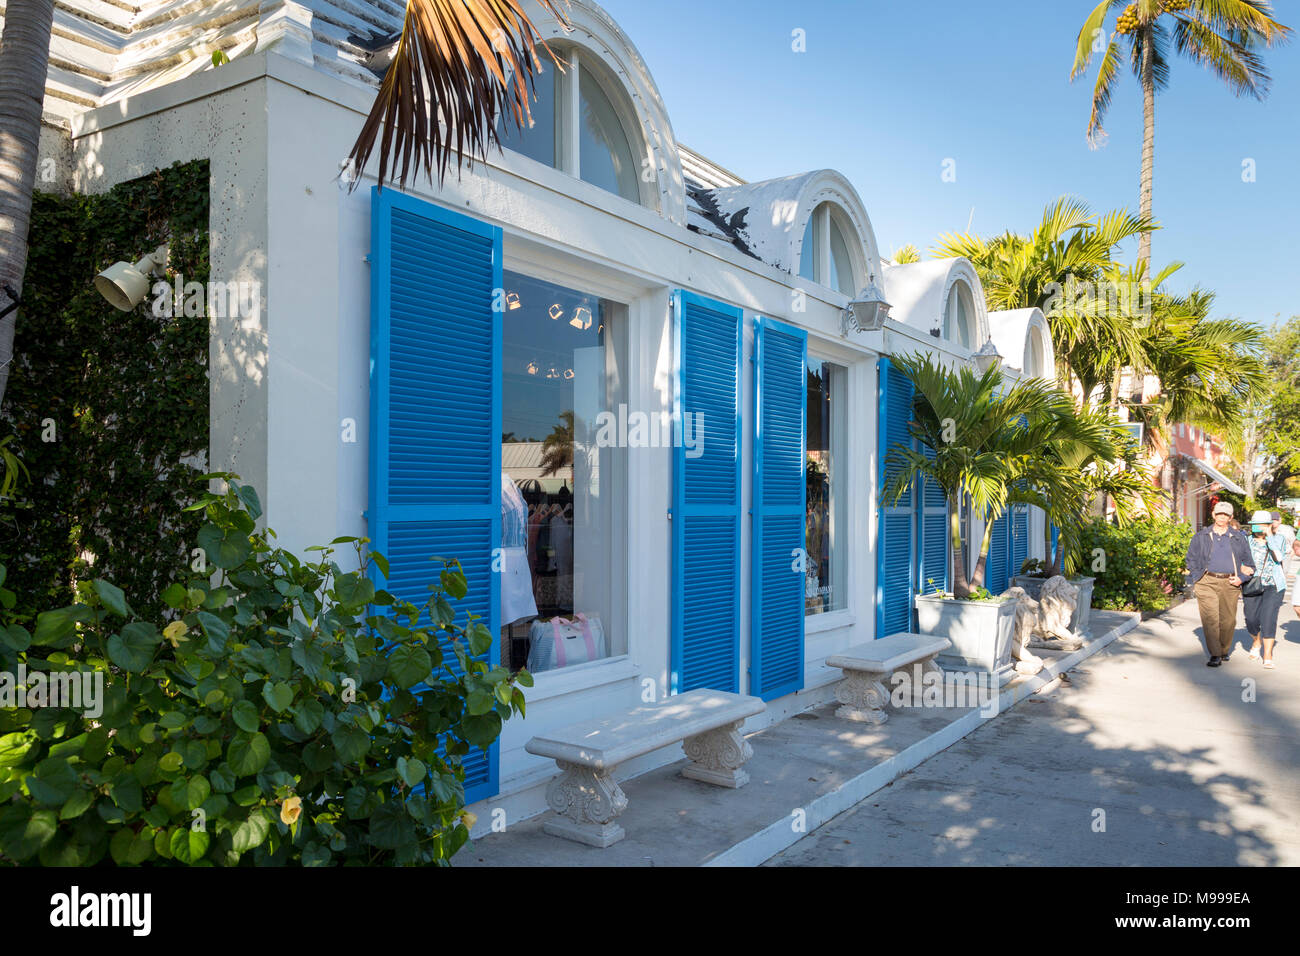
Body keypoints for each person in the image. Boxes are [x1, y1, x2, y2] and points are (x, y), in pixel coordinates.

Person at [1185, 501, 1255, 666]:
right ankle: (1215, 654)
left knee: (1228, 621)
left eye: (1225, 515)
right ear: (1213, 515)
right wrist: (1197, 576)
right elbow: (1190, 558)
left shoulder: (1238, 537)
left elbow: (1250, 565)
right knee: (1210, 619)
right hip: (1206, 582)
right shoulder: (1201, 536)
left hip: (1230, 583)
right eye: (1219, 514)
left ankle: (1223, 650)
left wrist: (1241, 578)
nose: (1222, 517)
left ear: (1231, 517)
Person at [1244, 510, 1287, 669]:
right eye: (1255, 525)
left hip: (1274, 585)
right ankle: (1257, 641)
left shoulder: (1279, 539)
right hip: (1252, 584)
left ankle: (1268, 655)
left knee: (1268, 619)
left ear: (1269, 525)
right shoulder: (1247, 540)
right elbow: (1240, 559)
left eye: (1261, 525)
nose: (1257, 528)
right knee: (1251, 619)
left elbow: (1279, 557)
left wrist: (1269, 536)